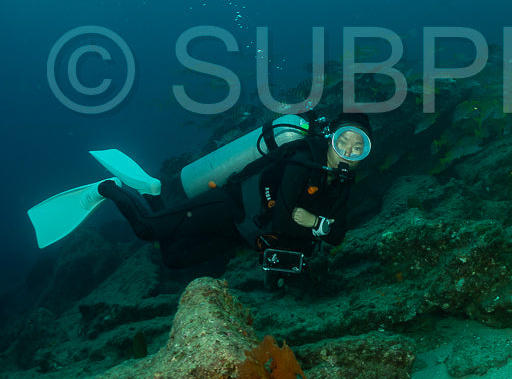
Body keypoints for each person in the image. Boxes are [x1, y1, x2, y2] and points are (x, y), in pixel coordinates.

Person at [28, 111, 372, 283]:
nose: (349, 152)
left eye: (359, 148)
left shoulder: (342, 181)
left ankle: (153, 191)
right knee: (147, 229)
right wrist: (318, 226)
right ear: (331, 138)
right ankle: (104, 189)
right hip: (229, 204)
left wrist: (313, 222)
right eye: (345, 141)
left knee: (175, 260)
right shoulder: (301, 156)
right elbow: (286, 219)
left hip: (243, 233)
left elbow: (340, 234)